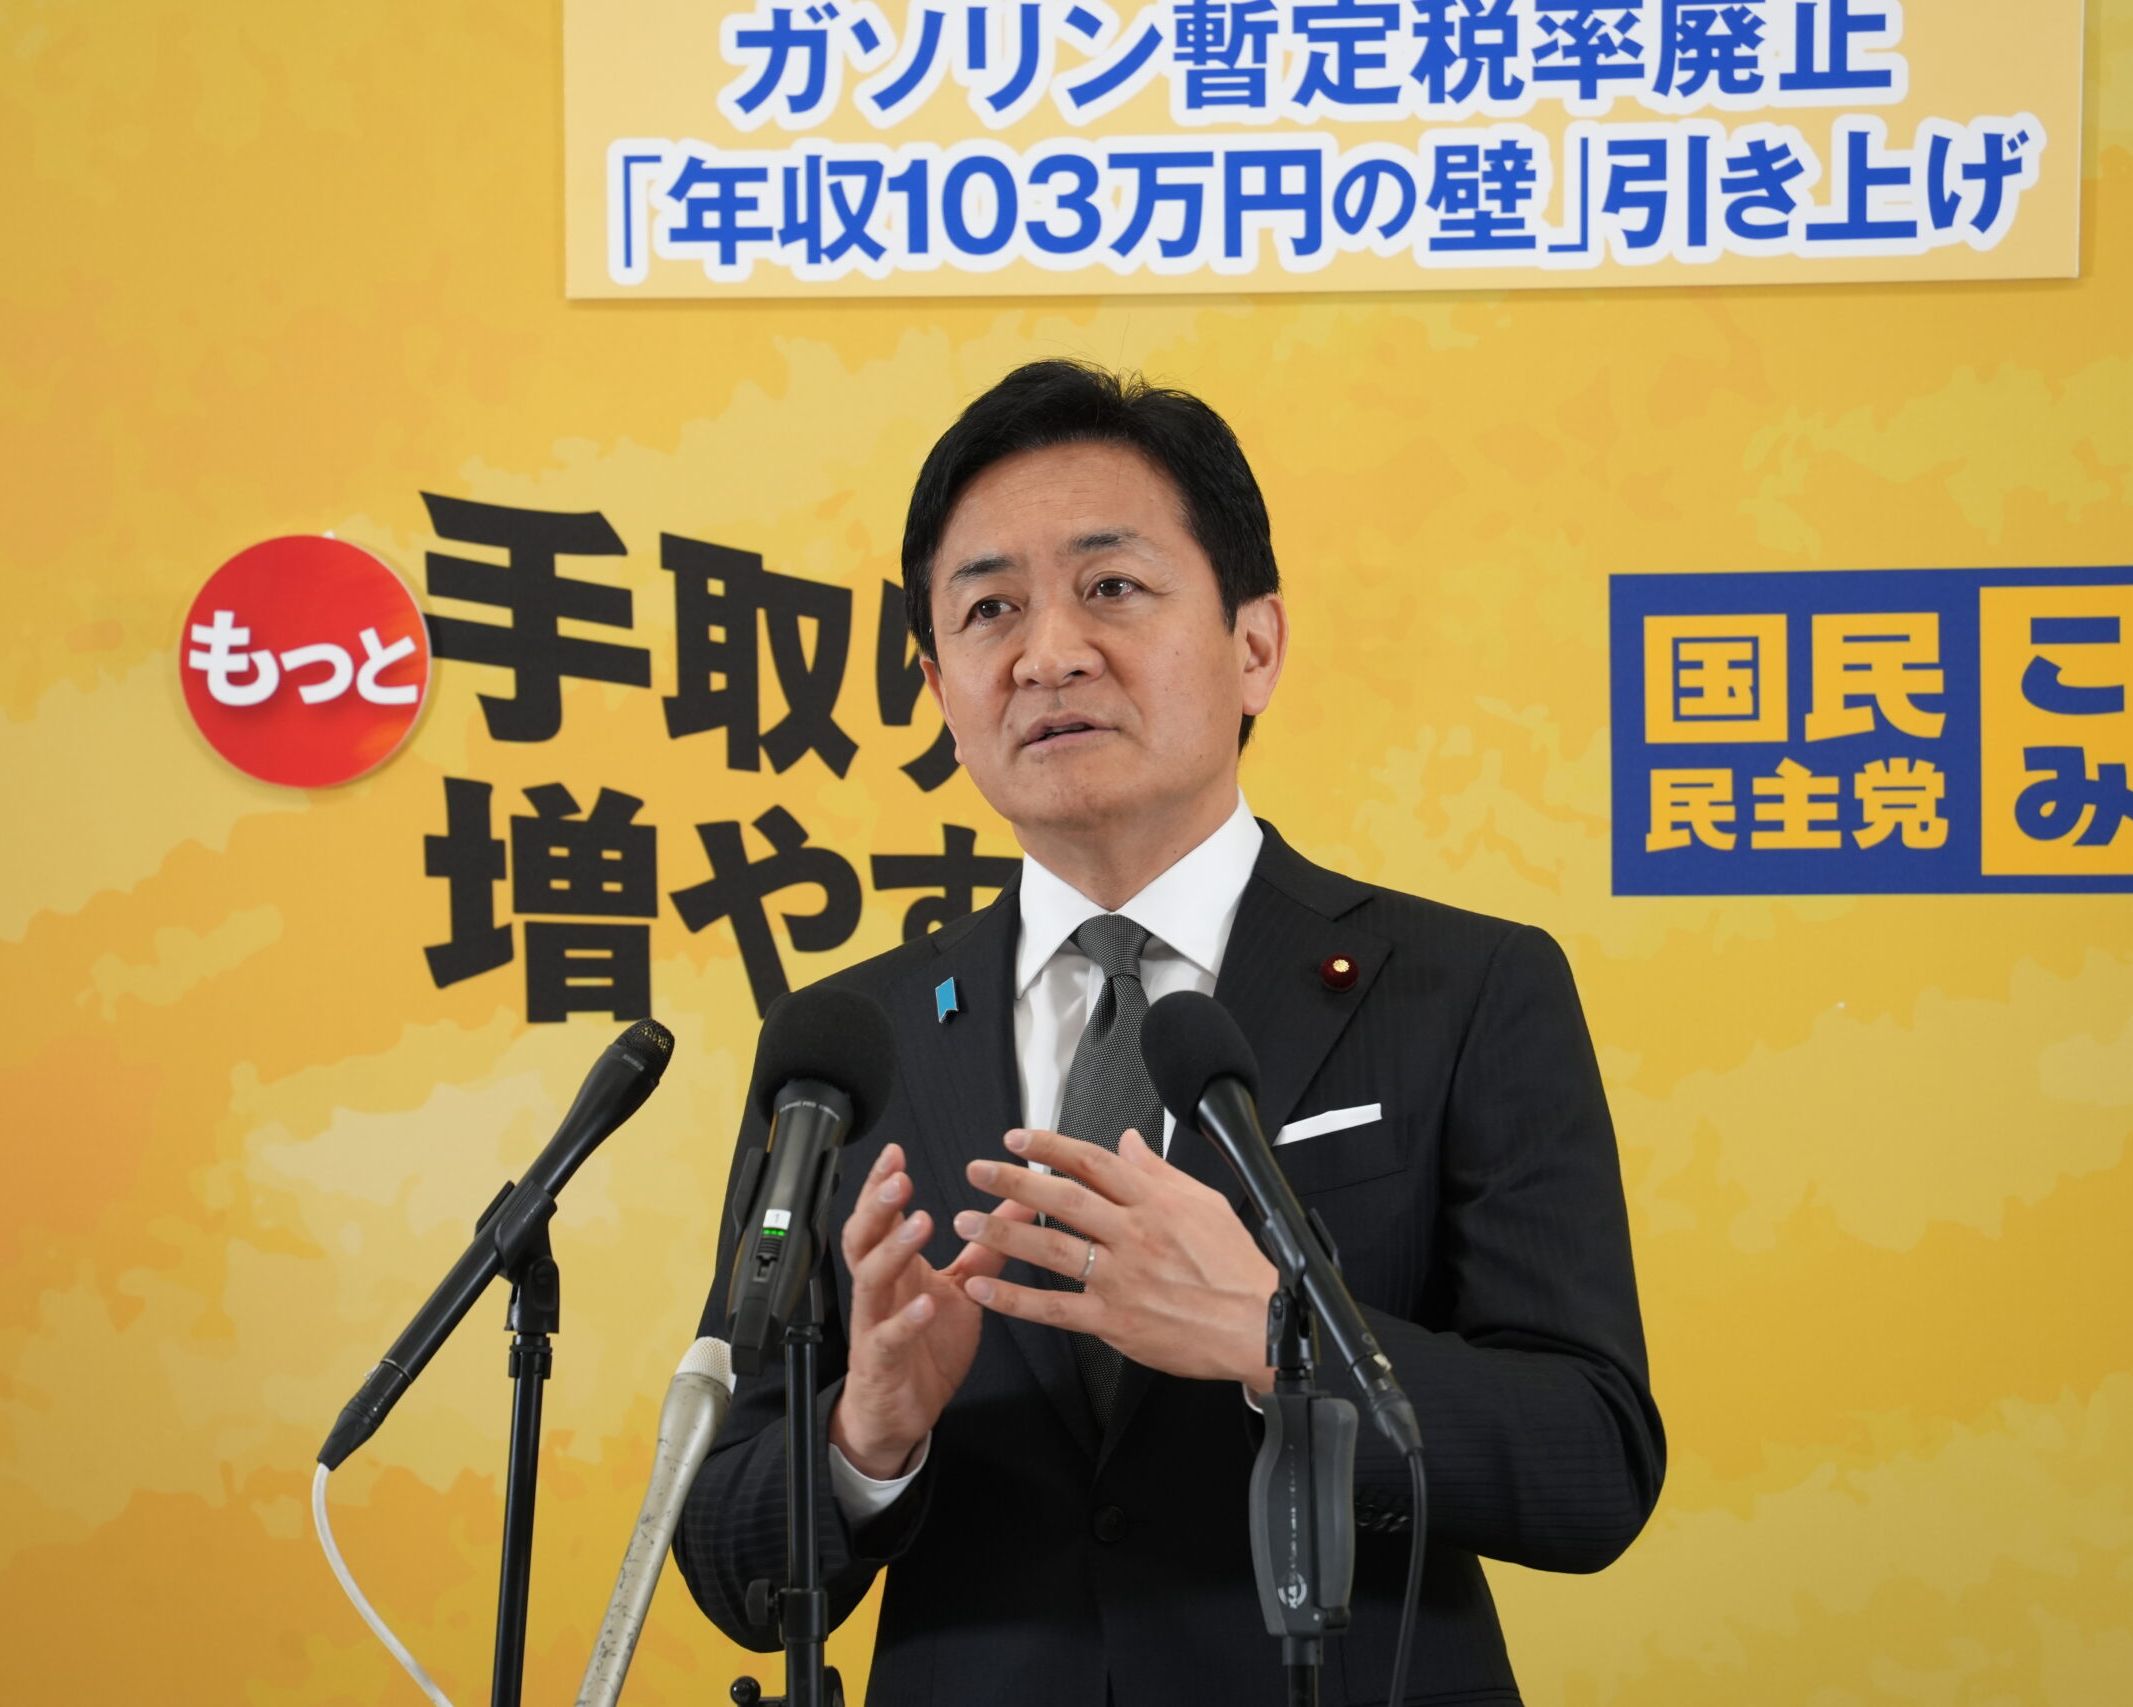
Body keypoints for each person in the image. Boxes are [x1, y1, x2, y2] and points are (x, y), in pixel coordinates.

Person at [676, 360, 1662, 1705]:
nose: (1049, 654)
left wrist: (1279, 1337)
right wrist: (867, 1435)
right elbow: (727, 1558)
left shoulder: (1466, 987)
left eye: (1112, 586)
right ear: (941, 688)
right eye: (988, 609)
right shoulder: (851, 1045)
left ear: (1255, 645)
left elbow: (1592, 1463)